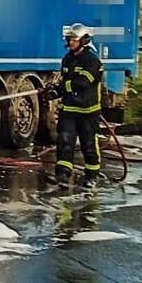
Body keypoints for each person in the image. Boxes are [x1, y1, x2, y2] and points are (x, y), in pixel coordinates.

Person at [56, 23, 104, 187]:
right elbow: (65, 82)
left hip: (88, 112)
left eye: (74, 40)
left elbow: (83, 83)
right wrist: (54, 91)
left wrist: (63, 87)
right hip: (68, 110)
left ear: (84, 40)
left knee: (89, 144)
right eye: (70, 40)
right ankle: (63, 175)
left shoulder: (92, 61)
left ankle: (91, 175)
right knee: (64, 142)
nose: (71, 43)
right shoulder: (67, 59)